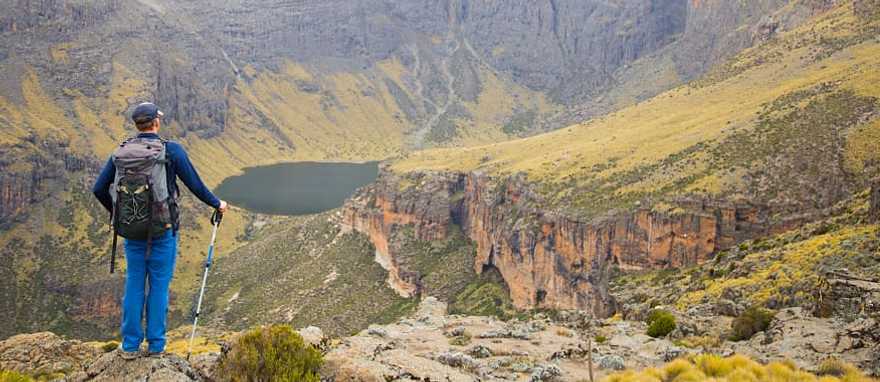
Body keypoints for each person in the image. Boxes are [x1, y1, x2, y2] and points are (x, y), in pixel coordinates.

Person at [92, 102, 228, 359]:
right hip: (163, 231)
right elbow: (195, 185)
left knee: (134, 284)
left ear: (137, 124)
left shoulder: (121, 152)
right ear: (156, 122)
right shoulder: (171, 150)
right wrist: (217, 204)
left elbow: (99, 188)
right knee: (158, 286)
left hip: (132, 232)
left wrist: (117, 213)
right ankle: (156, 345)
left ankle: (130, 346)